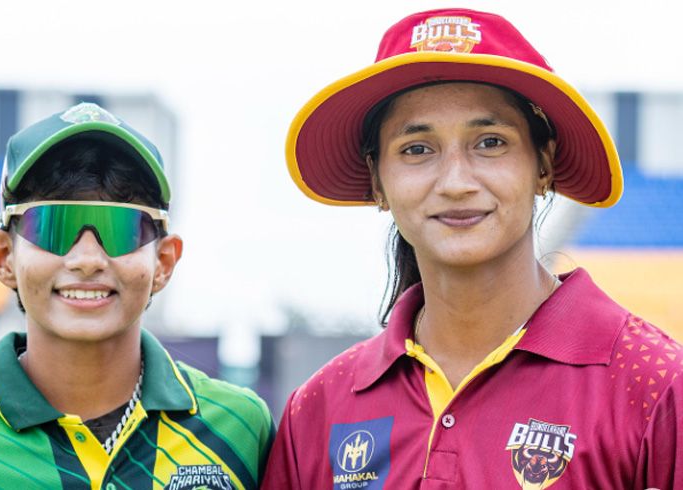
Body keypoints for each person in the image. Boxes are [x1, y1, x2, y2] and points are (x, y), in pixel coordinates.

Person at [263, 8, 682, 489]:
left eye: (490, 142)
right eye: (417, 149)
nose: (456, 182)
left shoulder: (654, 384)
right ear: (377, 181)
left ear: (543, 165)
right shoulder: (318, 408)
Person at [0, 102, 274, 489]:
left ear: (164, 261)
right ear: (3, 256)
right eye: (53, 225)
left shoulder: (239, 428)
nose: (87, 260)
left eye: (120, 228)